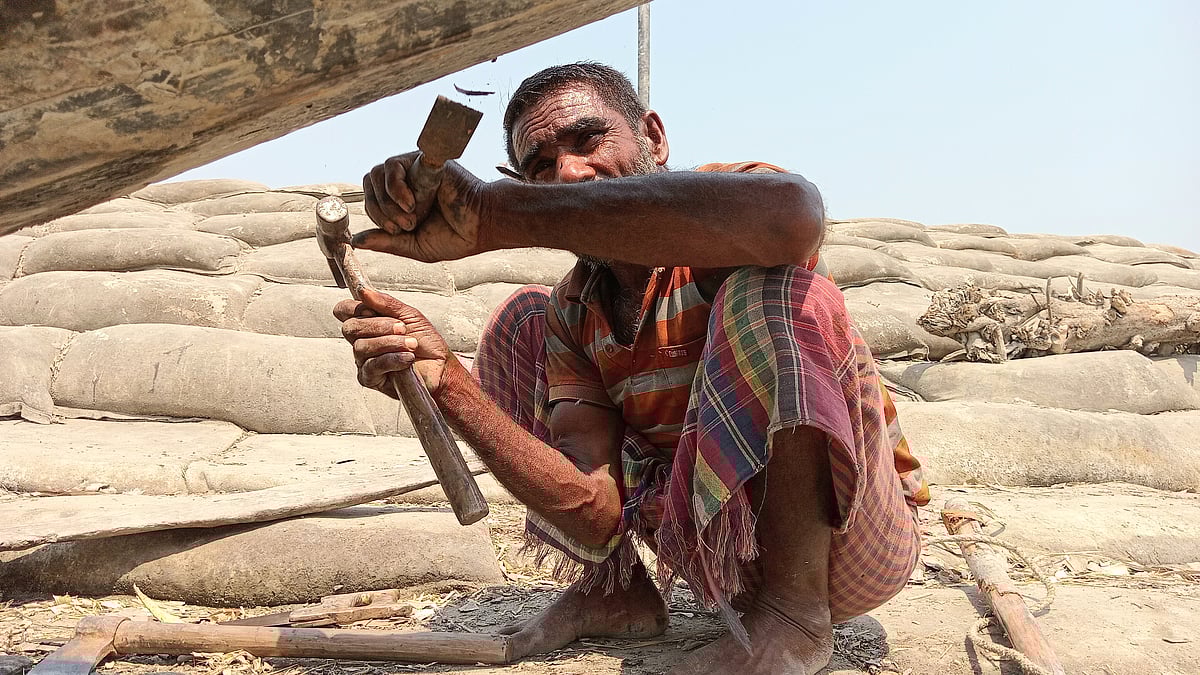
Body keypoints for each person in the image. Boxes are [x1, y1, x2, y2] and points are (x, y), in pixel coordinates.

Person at [335, 62, 928, 674]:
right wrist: (447, 385)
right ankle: (612, 589)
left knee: (774, 292)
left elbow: (792, 220)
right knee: (520, 320)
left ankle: (794, 617)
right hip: (715, 557)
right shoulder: (576, 311)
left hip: (845, 546)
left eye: (588, 140)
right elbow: (594, 509)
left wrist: (499, 214)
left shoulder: (729, 213)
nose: (568, 171)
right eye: (539, 166)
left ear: (654, 137)